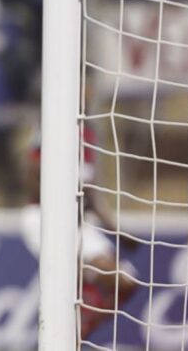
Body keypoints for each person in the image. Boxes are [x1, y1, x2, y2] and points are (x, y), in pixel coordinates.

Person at [20, 127, 138, 339]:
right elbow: (30, 172)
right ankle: (63, 333)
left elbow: (90, 190)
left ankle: (79, 333)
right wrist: (57, 204)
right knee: (67, 273)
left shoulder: (89, 136)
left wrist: (116, 230)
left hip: (79, 222)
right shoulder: (52, 125)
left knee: (127, 282)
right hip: (43, 215)